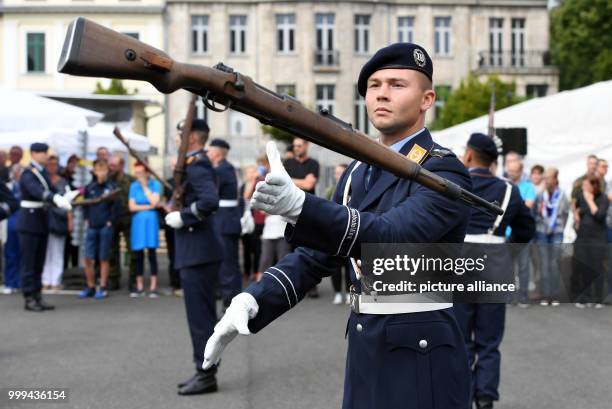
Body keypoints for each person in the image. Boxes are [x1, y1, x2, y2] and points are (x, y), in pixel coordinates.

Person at [204, 43, 473, 409]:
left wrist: (302, 205)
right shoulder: (358, 173)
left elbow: (391, 237)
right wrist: (255, 297)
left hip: (421, 350)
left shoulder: (442, 171)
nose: (381, 93)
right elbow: (318, 254)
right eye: (374, 85)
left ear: (427, 99)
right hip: (366, 342)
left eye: (397, 84)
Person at [454, 133, 535, 409]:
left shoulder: (454, 185)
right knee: (489, 340)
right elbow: (527, 229)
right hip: (495, 263)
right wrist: (506, 250)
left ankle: (462, 395)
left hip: (460, 264)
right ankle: (486, 397)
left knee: (461, 338)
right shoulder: (509, 190)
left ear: (468, 155)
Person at [164, 119, 224, 395]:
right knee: (199, 317)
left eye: (180, 135)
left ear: (192, 139)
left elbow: (209, 202)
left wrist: (184, 216)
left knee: (200, 318)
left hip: (198, 252)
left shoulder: (198, 164)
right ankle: (203, 368)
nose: (177, 139)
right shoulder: (191, 164)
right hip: (196, 251)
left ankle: (206, 374)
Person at [17, 143, 75, 311]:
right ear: (33, 154)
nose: (44, 155)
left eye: (45, 152)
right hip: (29, 221)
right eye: (42, 153)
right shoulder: (28, 173)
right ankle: (29, 297)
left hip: (41, 221)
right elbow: (36, 191)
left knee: (38, 263)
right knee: (29, 263)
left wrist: (64, 196)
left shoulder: (42, 172)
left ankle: (37, 295)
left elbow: (51, 189)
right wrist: (54, 198)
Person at [283, 136, 320, 297]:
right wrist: (301, 181)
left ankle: (312, 286)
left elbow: (309, 185)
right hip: (292, 210)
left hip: (309, 210)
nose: (296, 148)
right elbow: (284, 183)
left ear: (306, 146)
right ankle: (296, 285)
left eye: (299, 145)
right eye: (295, 146)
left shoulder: (313, 164)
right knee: (293, 248)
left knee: (311, 247)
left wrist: (291, 181)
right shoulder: (288, 163)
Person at [208, 138, 242, 308]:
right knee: (226, 263)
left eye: (209, 150)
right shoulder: (226, 169)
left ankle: (230, 303)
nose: (207, 153)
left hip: (224, 221)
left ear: (217, 153)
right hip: (225, 219)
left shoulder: (221, 170)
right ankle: (225, 296)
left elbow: (211, 194)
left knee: (227, 265)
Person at [79, 159, 120, 299]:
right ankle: (90, 286)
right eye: (98, 169)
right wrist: (87, 219)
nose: (101, 172)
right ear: (94, 171)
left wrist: (110, 221)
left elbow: (116, 207)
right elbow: (85, 205)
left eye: (103, 169)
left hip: (105, 226)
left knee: (103, 258)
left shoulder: (112, 187)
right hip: (92, 226)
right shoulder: (90, 187)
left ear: (107, 171)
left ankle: (102, 286)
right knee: (88, 257)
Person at [534, 168, 570, 306]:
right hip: (542, 232)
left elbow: (566, 213)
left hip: (557, 233)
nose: (547, 180)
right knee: (544, 264)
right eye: (545, 178)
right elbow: (535, 212)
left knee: (554, 263)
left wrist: (559, 228)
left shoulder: (562, 195)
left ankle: (554, 295)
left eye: (549, 178)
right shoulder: (541, 194)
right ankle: (545, 295)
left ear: (555, 179)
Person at [572, 175, 609, 308]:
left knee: (597, 267)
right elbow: (579, 211)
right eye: (583, 186)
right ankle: (585, 297)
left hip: (598, 238)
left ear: (594, 186)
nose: (583, 189)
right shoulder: (582, 197)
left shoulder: (602, 198)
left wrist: (590, 200)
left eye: (586, 186)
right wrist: (577, 215)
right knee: (584, 267)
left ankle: (598, 298)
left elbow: (599, 215)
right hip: (583, 236)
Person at [129, 161, 161, 297]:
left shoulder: (155, 184)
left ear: (147, 172)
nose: (138, 176)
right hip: (138, 222)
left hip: (151, 222)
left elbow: (155, 202)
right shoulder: (133, 186)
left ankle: (153, 286)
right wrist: (148, 207)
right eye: (136, 173)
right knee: (139, 254)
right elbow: (131, 207)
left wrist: (145, 187)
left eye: (140, 173)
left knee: (152, 253)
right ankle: (140, 285)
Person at [506, 159, 536, 305]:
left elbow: (528, 206)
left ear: (521, 171)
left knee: (523, 267)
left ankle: (523, 296)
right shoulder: (504, 185)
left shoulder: (528, 187)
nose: (511, 173)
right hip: (506, 233)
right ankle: (509, 296)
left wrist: (509, 208)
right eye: (509, 170)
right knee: (508, 267)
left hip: (522, 234)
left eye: (514, 171)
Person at [42, 156, 72, 291]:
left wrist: (70, 220)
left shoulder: (63, 182)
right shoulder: (43, 181)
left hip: (59, 219)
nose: (51, 167)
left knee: (57, 251)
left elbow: (69, 202)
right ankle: (45, 280)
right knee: (45, 251)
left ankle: (55, 280)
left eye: (54, 165)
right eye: (49, 164)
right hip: (44, 218)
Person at [108, 153, 136, 290]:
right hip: (112, 219)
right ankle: (113, 279)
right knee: (111, 250)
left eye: (114, 165)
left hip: (128, 218)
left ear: (121, 165)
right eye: (110, 165)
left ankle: (133, 279)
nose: (111, 168)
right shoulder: (107, 181)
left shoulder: (131, 181)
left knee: (132, 250)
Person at [326, 163, 351, 305]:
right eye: (336, 173)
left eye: (340, 172)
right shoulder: (331, 190)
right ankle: (337, 293)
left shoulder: (353, 188)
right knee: (335, 266)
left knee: (349, 266)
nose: (338, 175)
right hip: (335, 233)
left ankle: (348, 292)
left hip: (349, 232)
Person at [241, 164, 265, 281]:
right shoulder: (244, 185)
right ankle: (246, 270)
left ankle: (256, 271)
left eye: (252, 172)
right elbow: (244, 197)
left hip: (256, 220)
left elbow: (250, 196)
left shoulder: (259, 183)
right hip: (245, 220)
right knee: (246, 247)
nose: (250, 174)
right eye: (248, 172)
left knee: (256, 247)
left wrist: (255, 180)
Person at [2, 164, 22, 294]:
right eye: (17, 171)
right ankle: (9, 282)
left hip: (23, 223)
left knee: (22, 254)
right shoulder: (8, 186)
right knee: (10, 254)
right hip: (9, 223)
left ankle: (19, 282)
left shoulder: (26, 187)